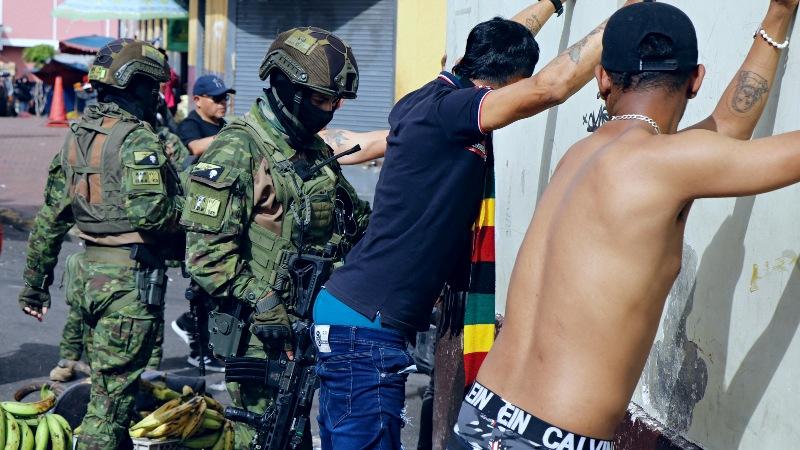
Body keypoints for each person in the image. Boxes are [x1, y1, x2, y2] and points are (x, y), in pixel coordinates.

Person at [451, 1, 800, 448]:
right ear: (695, 80)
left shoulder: (579, 155)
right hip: (555, 439)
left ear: (602, 78)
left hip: (481, 415)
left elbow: (725, 130)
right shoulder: (668, 165)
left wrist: (777, 17)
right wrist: (777, 14)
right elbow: (734, 137)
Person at [312, 0, 647, 447]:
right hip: (365, 331)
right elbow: (551, 87)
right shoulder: (456, 112)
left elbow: (498, 40)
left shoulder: (427, 99)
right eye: (516, 87)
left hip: (351, 314)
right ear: (507, 84)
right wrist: (628, 15)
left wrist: (550, 3)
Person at [182, 26, 377, 447]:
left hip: (307, 324)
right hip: (259, 333)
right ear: (289, 89)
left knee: (297, 436)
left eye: (336, 101)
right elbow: (204, 258)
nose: (331, 110)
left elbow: (356, 221)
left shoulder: (313, 151)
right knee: (263, 436)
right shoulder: (238, 150)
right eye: (323, 99)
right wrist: (263, 301)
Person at [18, 38, 183, 450]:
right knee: (108, 410)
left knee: (107, 392)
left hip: (87, 279)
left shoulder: (76, 137)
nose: (154, 98)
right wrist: (191, 211)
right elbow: (153, 215)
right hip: (128, 286)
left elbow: (50, 218)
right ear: (136, 87)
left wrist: (35, 284)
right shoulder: (138, 139)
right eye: (151, 88)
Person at [176, 74, 235, 158]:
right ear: (197, 100)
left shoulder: (222, 122)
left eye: (225, 97)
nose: (223, 102)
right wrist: (232, 135)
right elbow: (195, 148)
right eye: (217, 98)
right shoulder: (189, 124)